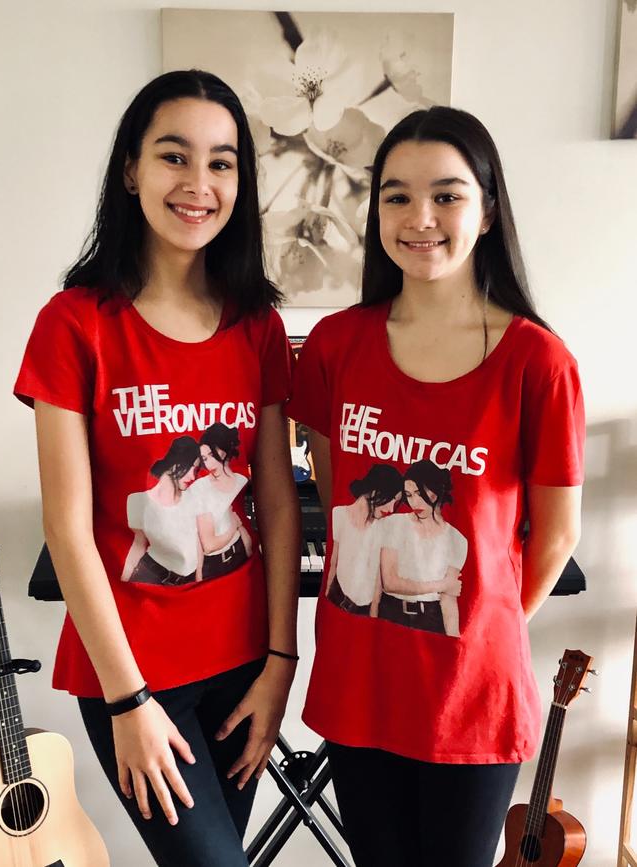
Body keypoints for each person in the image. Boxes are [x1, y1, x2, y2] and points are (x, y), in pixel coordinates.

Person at [14, 70, 300, 867]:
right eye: (175, 157)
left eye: (222, 162)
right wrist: (127, 699)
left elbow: (276, 507)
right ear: (132, 169)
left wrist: (282, 663)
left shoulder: (257, 326)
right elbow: (67, 528)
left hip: (244, 667)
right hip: (136, 673)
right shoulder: (73, 325)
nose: (199, 184)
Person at [288, 106, 584, 867]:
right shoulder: (334, 346)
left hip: (473, 699)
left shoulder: (536, 362)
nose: (421, 217)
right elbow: (337, 489)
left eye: (448, 195)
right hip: (361, 687)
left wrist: (480, 631)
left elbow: (556, 535)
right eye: (396, 196)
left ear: (487, 211)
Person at [374, 459, 466, 637]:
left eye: (419, 492)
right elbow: (390, 582)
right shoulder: (393, 524)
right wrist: (442, 584)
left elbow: (448, 600)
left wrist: (454, 639)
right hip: (390, 612)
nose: (414, 502)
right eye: (408, 494)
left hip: (433, 619)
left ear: (436, 490)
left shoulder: (458, 539)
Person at [122, 435, 203, 586]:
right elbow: (138, 544)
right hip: (152, 575)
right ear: (175, 463)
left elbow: (199, 542)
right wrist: (123, 584)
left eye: (196, 469)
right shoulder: (137, 501)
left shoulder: (194, 498)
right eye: (189, 468)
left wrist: (199, 580)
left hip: (189, 581)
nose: (193, 476)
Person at [325, 464, 403, 616]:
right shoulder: (339, 514)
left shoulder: (383, 528)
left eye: (396, 502)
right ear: (375, 490)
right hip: (337, 599)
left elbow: (378, 581)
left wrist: (373, 615)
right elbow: (332, 563)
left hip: (365, 610)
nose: (392, 509)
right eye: (390, 499)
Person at [191, 422, 253, 580]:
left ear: (224, 449)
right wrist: (233, 527)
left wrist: (248, 551)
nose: (209, 464)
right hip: (214, 565)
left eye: (212, 455)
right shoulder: (200, 488)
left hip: (241, 554)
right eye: (204, 458)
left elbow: (244, 530)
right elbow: (208, 545)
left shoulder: (241, 480)